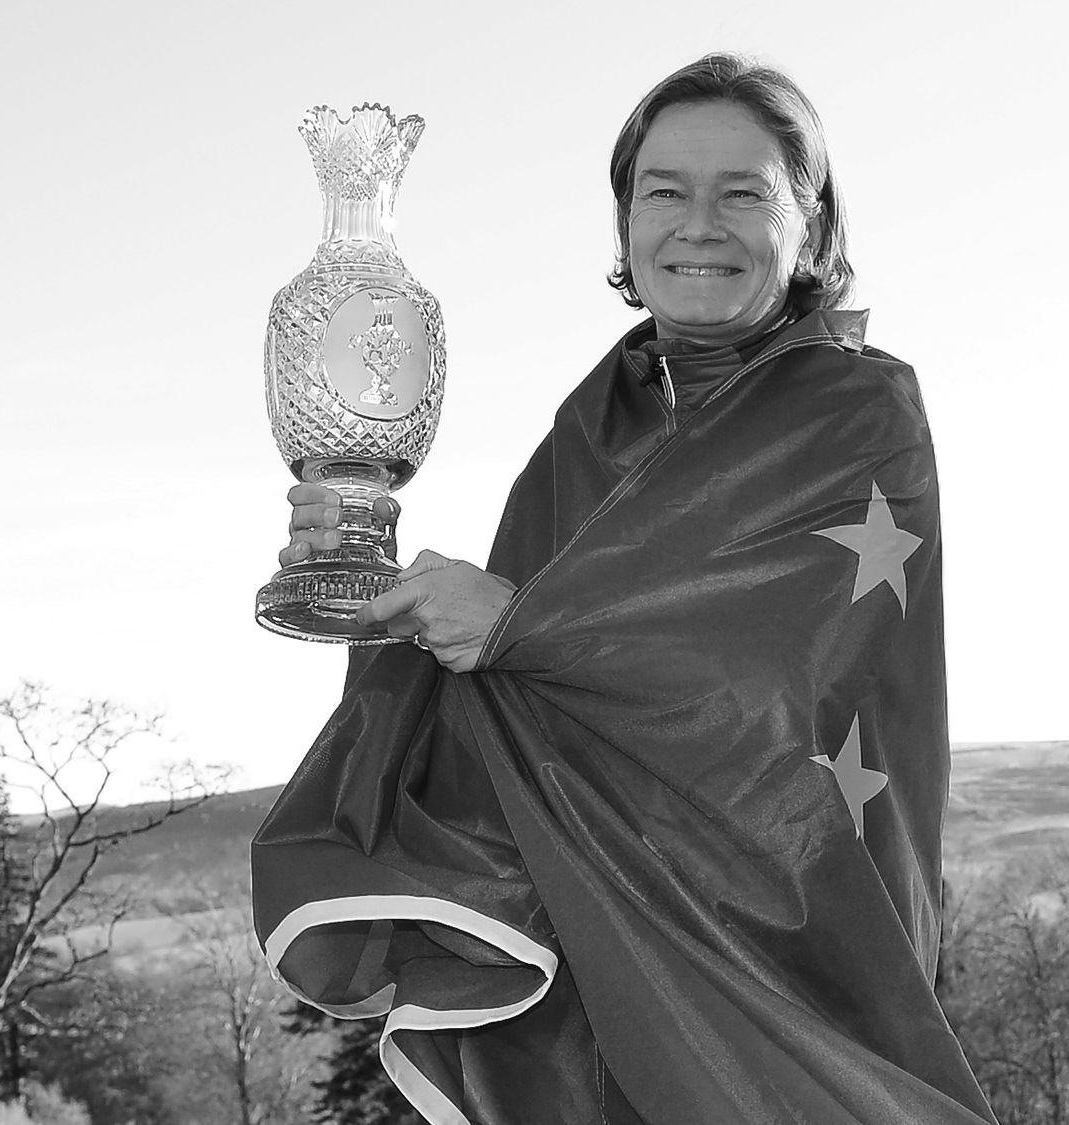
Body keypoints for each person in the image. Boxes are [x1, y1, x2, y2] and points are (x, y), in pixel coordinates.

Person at [251, 54, 996, 1125]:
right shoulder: (595, 422)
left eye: (743, 193)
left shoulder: (856, 413)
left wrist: (516, 624)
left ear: (811, 225)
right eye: (663, 191)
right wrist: (376, 577)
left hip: (785, 953)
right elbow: (511, 692)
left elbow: (761, 690)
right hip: (595, 944)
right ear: (625, 223)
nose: (698, 225)